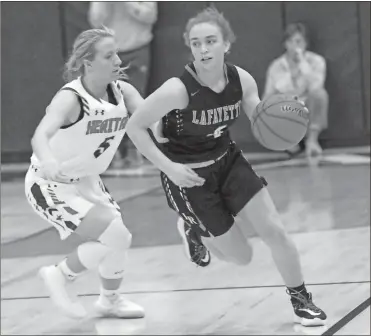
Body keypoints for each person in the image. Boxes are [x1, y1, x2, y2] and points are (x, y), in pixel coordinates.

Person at [126, 7, 327, 327]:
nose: (203, 49)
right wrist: (169, 168)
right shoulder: (178, 90)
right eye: (196, 43)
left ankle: (301, 299)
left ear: (226, 44)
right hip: (188, 175)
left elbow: (265, 122)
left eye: (210, 41)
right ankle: (192, 230)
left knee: (274, 229)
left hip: (228, 160)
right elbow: (135, 128)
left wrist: (291, 115)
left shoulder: (241, 80)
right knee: (241, 256)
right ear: (190, 47)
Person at [25, 28, 146, 319]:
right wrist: (49, 159)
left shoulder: (123, 92)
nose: (118, 60)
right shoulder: (70, 98)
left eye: (117, 52)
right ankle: (59, 274)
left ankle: (109, 300)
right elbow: (41, 134)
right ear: (88, 62)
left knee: (119, 237)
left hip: (88, 179)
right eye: (108, 55)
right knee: (115, 234)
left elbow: (153, 122)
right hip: (50, 182)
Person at [89, 1, 158, 168]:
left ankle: (136, 149)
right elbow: (95, 21)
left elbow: (150, 17)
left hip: (137, 49)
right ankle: (113, 151)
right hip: (109, 52)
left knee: (136, 102)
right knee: (110, 102)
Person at [263, 22, 329, 159]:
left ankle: (312, 141)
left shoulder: (317, 61)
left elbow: (316, 88)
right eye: (290, 41)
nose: (295, 46)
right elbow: (266, 97)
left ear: (305, 43)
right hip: (287, 109)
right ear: (285, 44)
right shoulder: (276, 66)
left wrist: (303, 65)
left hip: (308, 109)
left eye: (298, 41)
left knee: (320, 95)